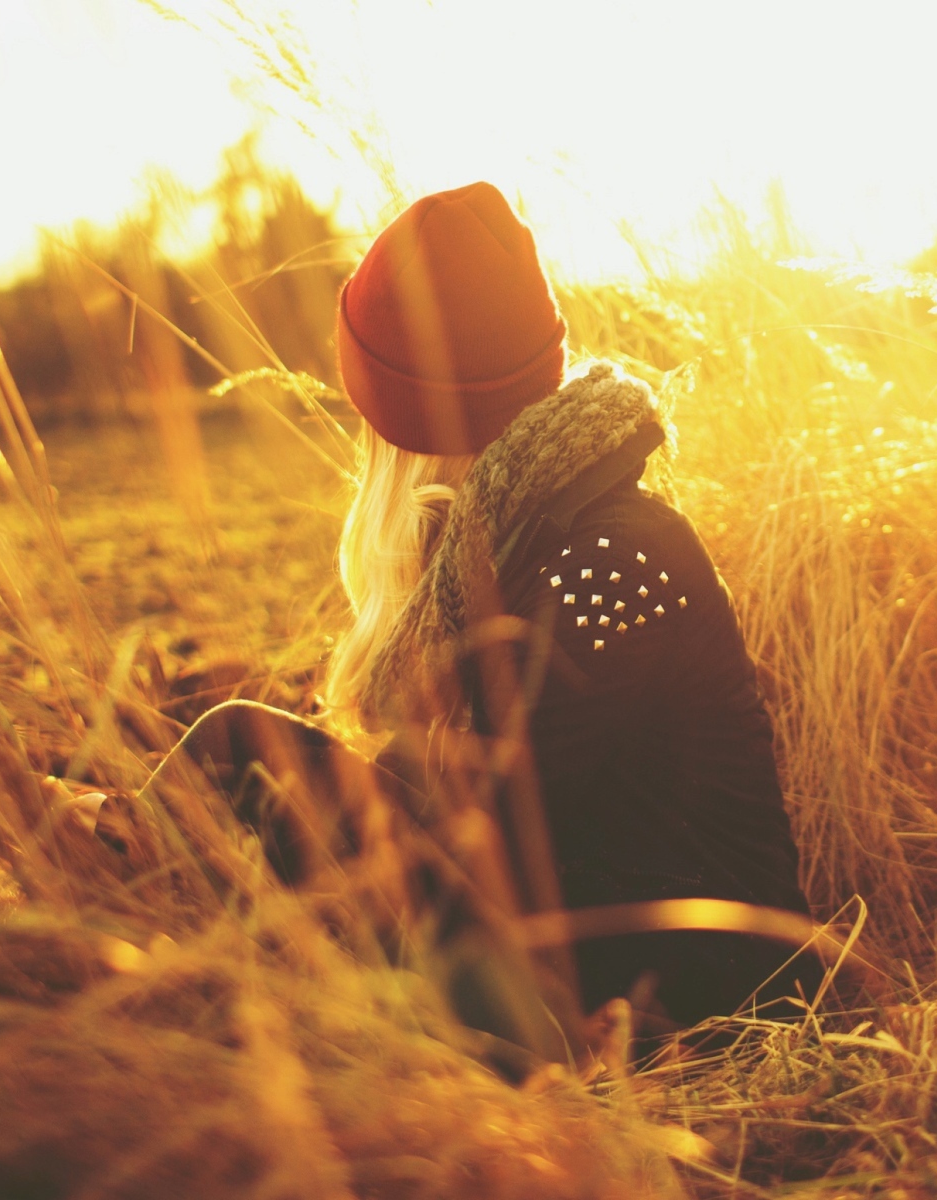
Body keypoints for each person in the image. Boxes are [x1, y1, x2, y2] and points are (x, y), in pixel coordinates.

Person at [121, 181, 822, 1063]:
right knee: (230, 758)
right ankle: (110, 898)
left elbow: (489, 846)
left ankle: (101, 915)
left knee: (246, 753)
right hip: (585, 950)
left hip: (690, 1001)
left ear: (408, 418)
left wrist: (292, 796)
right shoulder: (516, 537)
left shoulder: (609, 559)